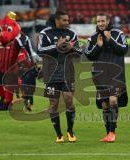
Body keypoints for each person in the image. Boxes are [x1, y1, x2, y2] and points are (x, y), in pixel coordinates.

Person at [37, 11, 81, 143]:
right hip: (51, 74)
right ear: (57, 20)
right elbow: (39, 50)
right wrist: (56, 46)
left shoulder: (72, 34)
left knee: (69, 102)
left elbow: (79, 52)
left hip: (68, 73)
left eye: (68, 20)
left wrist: (72, 48)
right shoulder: (45, 33)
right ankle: (59, 134)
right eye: (64, 20)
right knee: (53, 104)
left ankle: (70, 130)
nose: (67, 22)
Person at [84, 12, 128, 142]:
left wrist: (110, 40)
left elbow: (124, 49)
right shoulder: (92, 38)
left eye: (103, 21)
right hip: (100, 76)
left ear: (108, 21)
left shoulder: (118, 34)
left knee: (113, 100)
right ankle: (108, 132)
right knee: (104, 105)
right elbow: (88, 55)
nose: (101, 24)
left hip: (116, 75)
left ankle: (112, 132)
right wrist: (98, 46)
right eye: (98, 21)